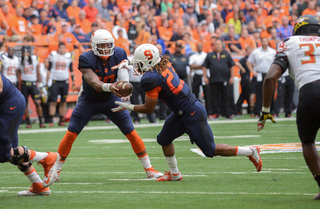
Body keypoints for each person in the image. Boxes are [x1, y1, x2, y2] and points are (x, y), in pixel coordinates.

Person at [112, 43, 262, 181]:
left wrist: (128, 106)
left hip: (191, 112)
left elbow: (148, 108)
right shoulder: (164, 62)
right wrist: (129, 62)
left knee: (210, 150)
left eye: (138, 63)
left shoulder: (150, 79)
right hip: (183, 110)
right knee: (163, 139)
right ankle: (175, 174)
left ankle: (250, 151)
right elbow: (148, 62)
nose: (137, 66)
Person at [55, 29, 163, 181]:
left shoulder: (119, 53)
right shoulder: (86, 57)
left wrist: (125, 89)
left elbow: (123, 72)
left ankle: (149, 169)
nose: (105, 49)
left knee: (131, 132)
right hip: (89, 100)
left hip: (111, 99)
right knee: (71, 133)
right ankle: (56, 171)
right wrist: (110, 86)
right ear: (93, 45)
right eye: (102, 45)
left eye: (108, 45)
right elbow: (93, 81)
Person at [257, 15, 320, 200]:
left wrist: (266, 111)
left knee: (308, 141)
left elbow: (270, 78)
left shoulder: (290, 42)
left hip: (311, 92)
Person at [0, 70, 60, 196]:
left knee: (3, 153)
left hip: (9, 104)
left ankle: (47, 158)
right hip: (7, 104)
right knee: (13, 153)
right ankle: (39, 186)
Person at [202, 39, 235, 119]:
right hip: (213, 79)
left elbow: (232, 66)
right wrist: (205, 77)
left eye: (219, 44)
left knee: (226, 97)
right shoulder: (210, 55)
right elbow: (204, 66)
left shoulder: (226, 54)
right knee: (214, 97)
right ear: (214, 45)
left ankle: (228, 113)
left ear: (222, 45)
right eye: (216, 44)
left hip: (225, 79)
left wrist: (232, 77)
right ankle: (215, 113)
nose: (218, 46)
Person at [246, 37, 276, 117]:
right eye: (263, 41)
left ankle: (271, 111)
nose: (264, 43)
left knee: (270, 93)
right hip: (259, 74)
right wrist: (252, 71)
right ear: (261, 42)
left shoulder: (272, 52)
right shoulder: (256, 52)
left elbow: (276, 63)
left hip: (269, 74)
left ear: (268, 42)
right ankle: (257, 111)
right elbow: (248, 62)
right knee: (259, 93)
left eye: (266, 41)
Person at [18, 45, 46, 128]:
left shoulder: (34, 59)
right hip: (24, 84)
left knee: (37, 102)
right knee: (25, 104)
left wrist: (40, 84)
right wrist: (18, 84)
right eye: (24, 52)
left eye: (27, 52)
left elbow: (38, 72)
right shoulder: (20, 61)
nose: (26, 54)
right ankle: (28, 122)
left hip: (33, 83)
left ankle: (41, 121)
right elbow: (18, 73)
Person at [47, 42, 74, 127]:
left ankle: (61, 120)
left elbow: (71, 69)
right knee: (53, 101)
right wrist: (47, 82)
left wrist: (73, 81)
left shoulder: (68, 56)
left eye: (63, 48)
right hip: (55, 81)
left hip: (65, 81)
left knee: (63, 101)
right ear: (58, 48)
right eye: (61, 47)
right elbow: (49, 69)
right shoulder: (53, 55)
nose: (62, 49)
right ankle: (51, 120)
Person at [235, 47, 253, 115]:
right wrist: (242, 68)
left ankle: (237, 109)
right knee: (247, 94)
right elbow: (237, 63)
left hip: (247, 78)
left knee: (244, 95)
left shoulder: (250, 59)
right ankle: (249, 110)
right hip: (245, 79)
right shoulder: (245, 59)